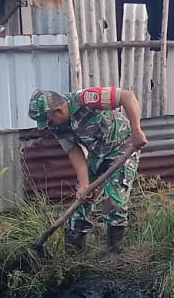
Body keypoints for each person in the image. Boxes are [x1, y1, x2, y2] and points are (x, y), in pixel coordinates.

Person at [28, 86, 149, 252]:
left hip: (122, 146)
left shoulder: (87, 98)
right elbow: (74, 151)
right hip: (95, 155)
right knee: (81, 201)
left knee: (114, 200)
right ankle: (75, 254)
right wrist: (85, 185)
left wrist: (136, 130)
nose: (48, 125)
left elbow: (127, 97)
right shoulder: (56, 126)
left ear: (59, 110)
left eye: (48, 120)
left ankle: (115, 253)